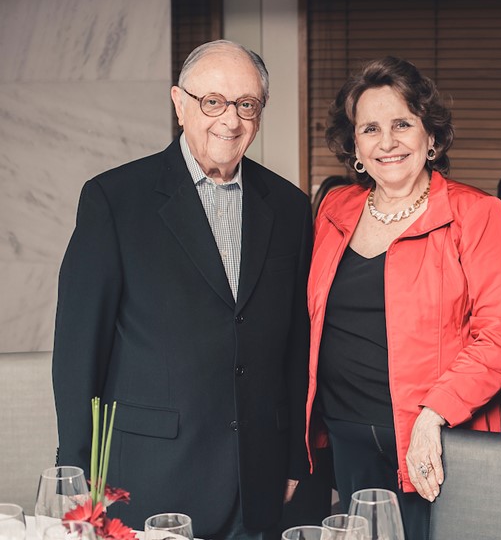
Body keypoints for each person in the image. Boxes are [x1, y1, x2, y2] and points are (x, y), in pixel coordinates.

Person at [53, 40, 312, 540]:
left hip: (256, 477)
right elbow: (77, 348)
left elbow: (295, 343)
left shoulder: (290, 206)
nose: (229, 121)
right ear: (179, 103)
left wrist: (293, 459)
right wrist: (78, 470)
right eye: (211, 101)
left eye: (246, 105)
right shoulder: (113, 199)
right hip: (148, 476)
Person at [305, 56, 501, 540]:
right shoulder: (333, 209)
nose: (386, 142)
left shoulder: (477, 214)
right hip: (348, 436)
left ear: (430, 138)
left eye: (402, 124)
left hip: (442, 440)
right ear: (355, 148)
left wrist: (434, 414)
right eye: (370, 129)